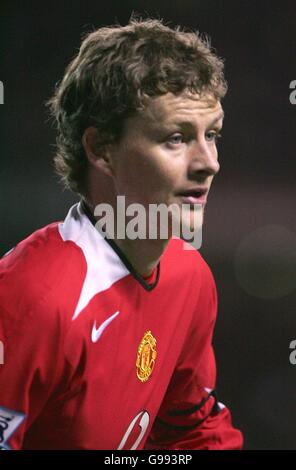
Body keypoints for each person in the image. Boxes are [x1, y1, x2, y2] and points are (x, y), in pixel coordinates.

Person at [0, 18, 243, 450]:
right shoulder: (32, 300)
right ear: (101, 149)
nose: (209, 163)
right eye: (176, 138)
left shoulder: (190, 276)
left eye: (213, 135)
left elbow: (191, 431)